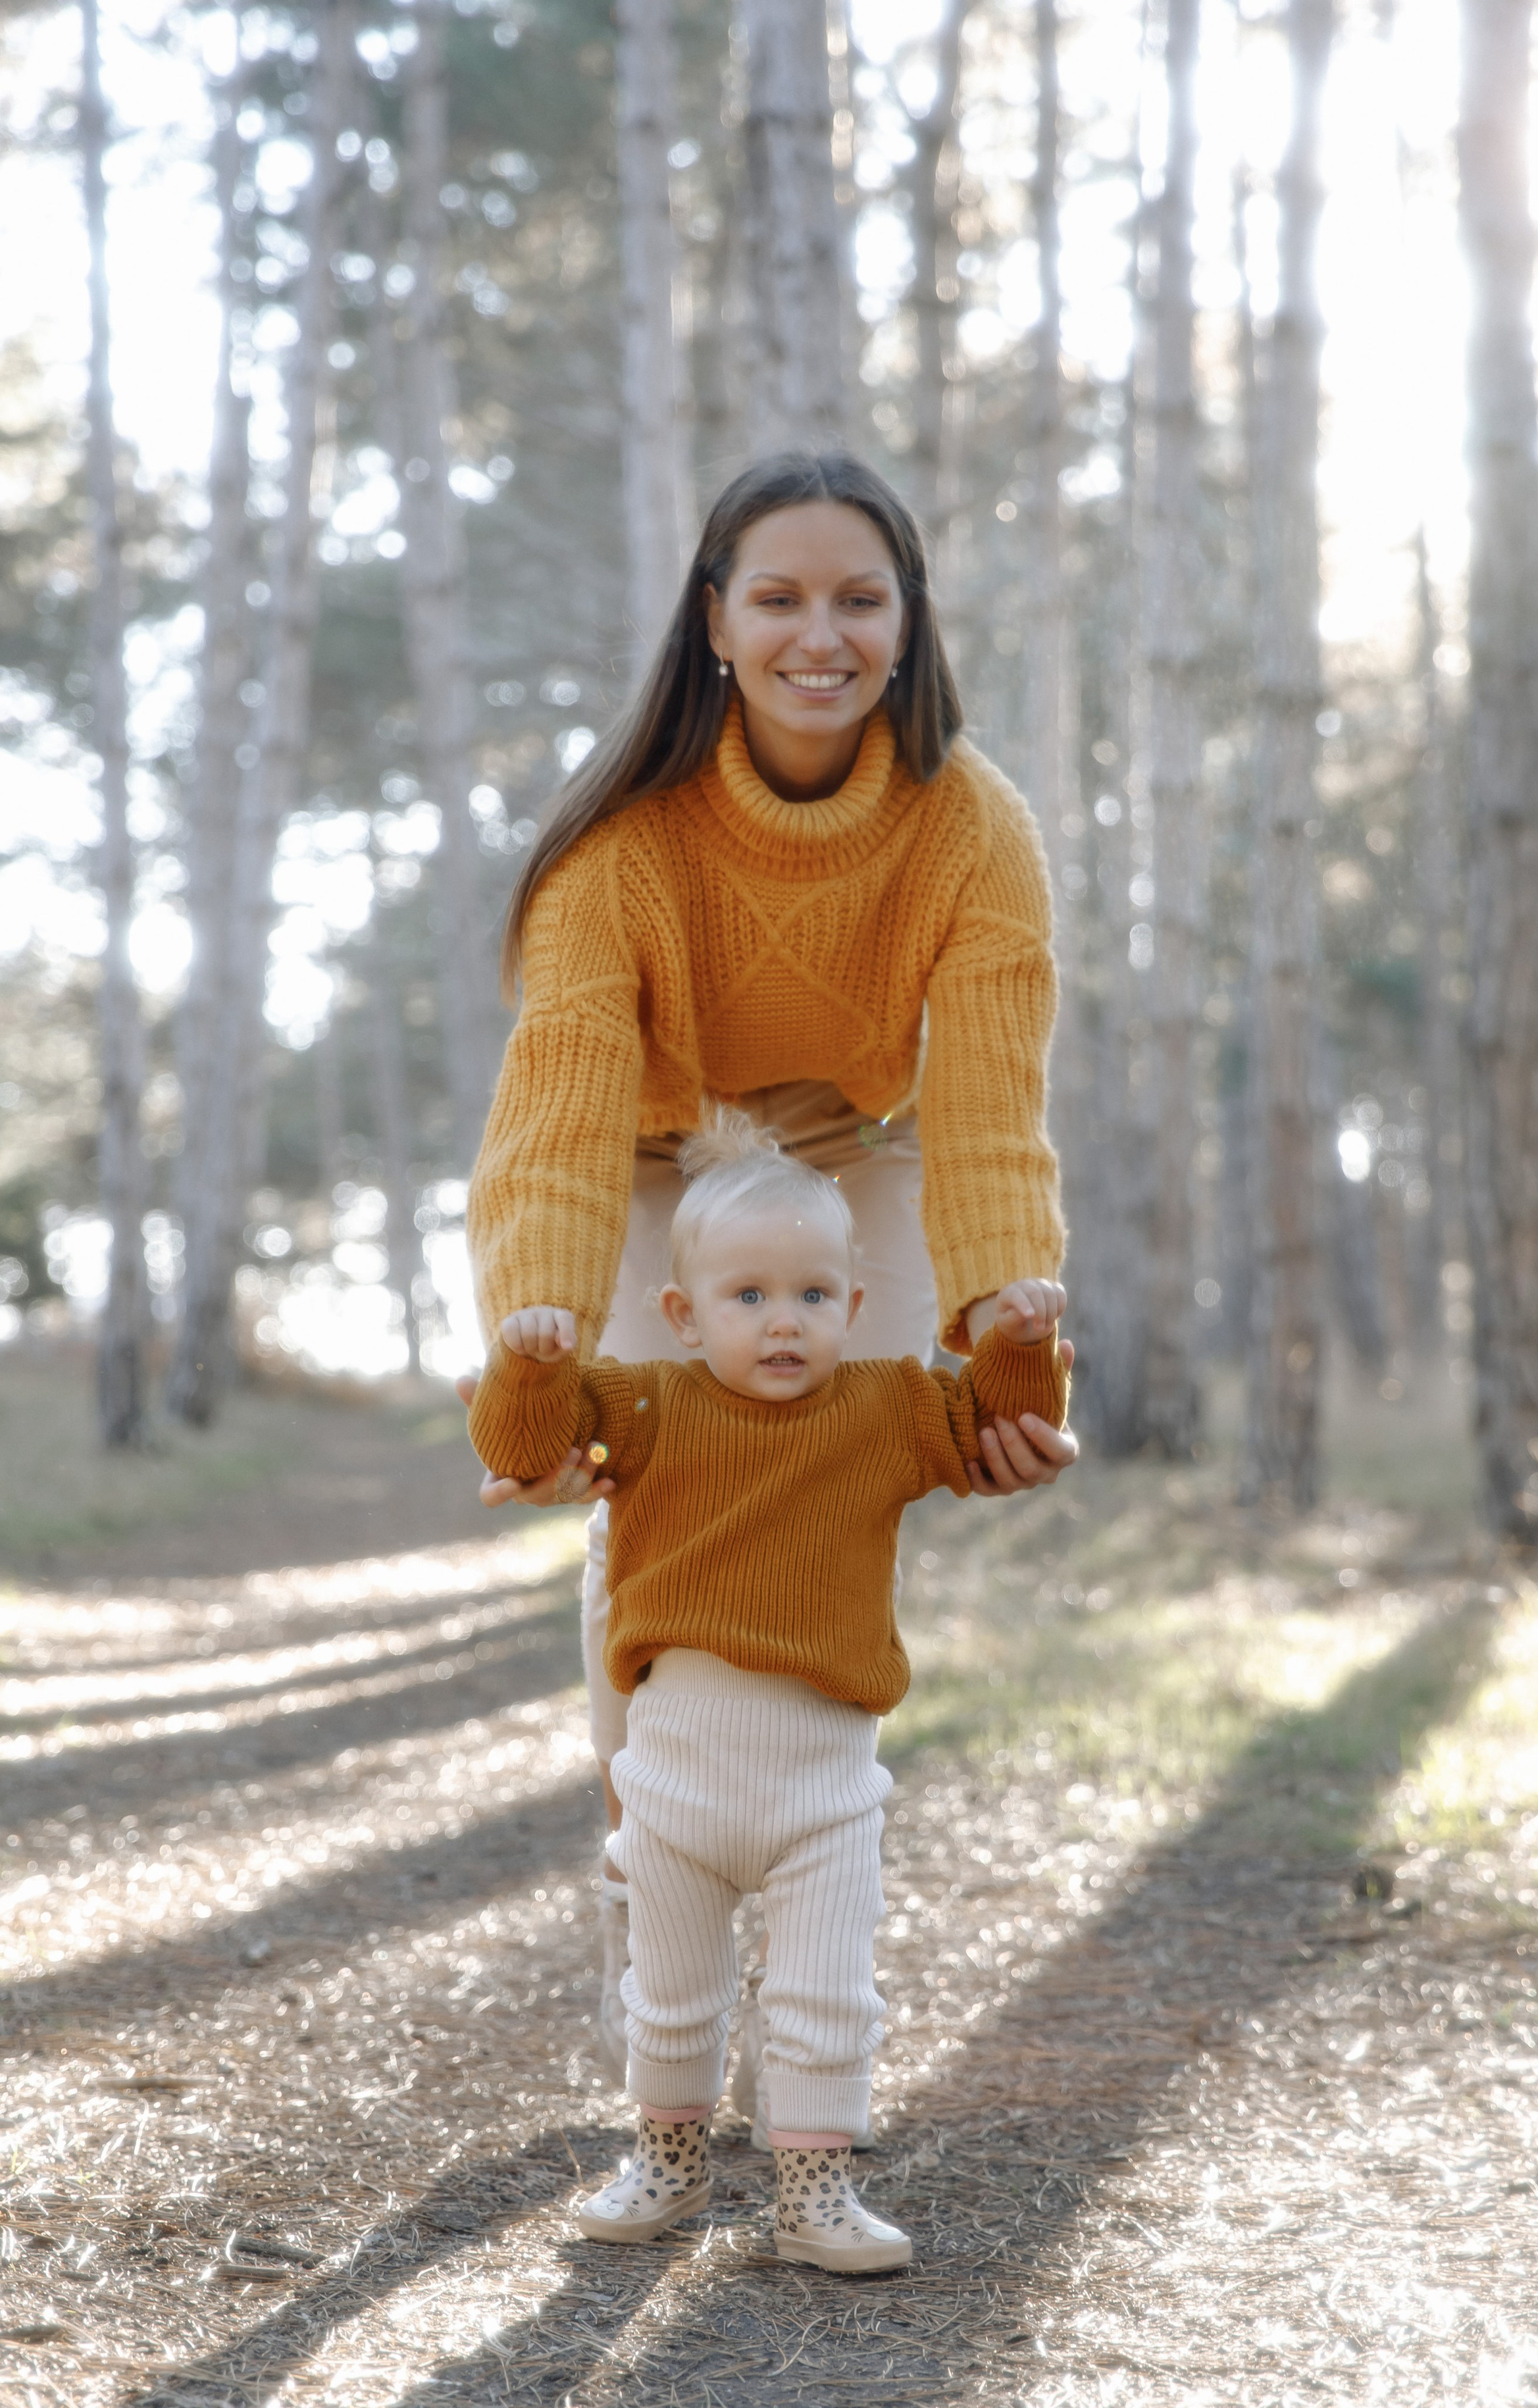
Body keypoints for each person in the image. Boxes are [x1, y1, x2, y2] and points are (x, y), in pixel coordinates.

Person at [456, 448, 1076, 2084]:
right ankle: (644, 1891)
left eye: (858, 598)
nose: (823, 633)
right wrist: (535, 1329)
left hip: (848, 1154)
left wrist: (1009, 1317)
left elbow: (990, 1108)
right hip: (651, 1156)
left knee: (829, 1462)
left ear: (905, 619)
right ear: (715, 622)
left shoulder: (971, 828)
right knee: (649, 1485)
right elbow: (564, 1111)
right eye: (781, 597)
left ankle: (807, 1902)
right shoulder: (620, 847)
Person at [466, 1114, 1067, 2270]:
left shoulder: (890, 1406)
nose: (781, 1319)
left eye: (810, 1294)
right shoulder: (646, 1405)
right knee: (672, 1990)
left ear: (852, 1304)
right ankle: (669, 2161)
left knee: (824, 1992)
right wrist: (530, 1361)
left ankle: (814, 2192)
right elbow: (520, 1439)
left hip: (823, 1783)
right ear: (683, 1315)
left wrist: (1021, 1342)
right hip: (677, 1770)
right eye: (747, 1297)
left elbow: (995, 1422)